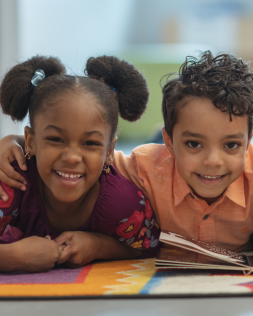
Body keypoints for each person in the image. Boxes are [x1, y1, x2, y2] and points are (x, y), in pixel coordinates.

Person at [2, 53, 253, 253]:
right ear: (168, 141)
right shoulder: (142, 167)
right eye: (193, 144)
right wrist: (16, 144)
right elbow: (88, 152)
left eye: (231, 146)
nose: (212, 161)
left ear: (250, 145)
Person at [0, 55, 159, 272]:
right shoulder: (10, 183)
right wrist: (12, 257)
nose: (72, 157)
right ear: (30, 141)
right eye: (56, 139)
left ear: (110, 152)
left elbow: (146, 246)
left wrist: (97, 246)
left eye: (90, 143)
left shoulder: (123, 204)